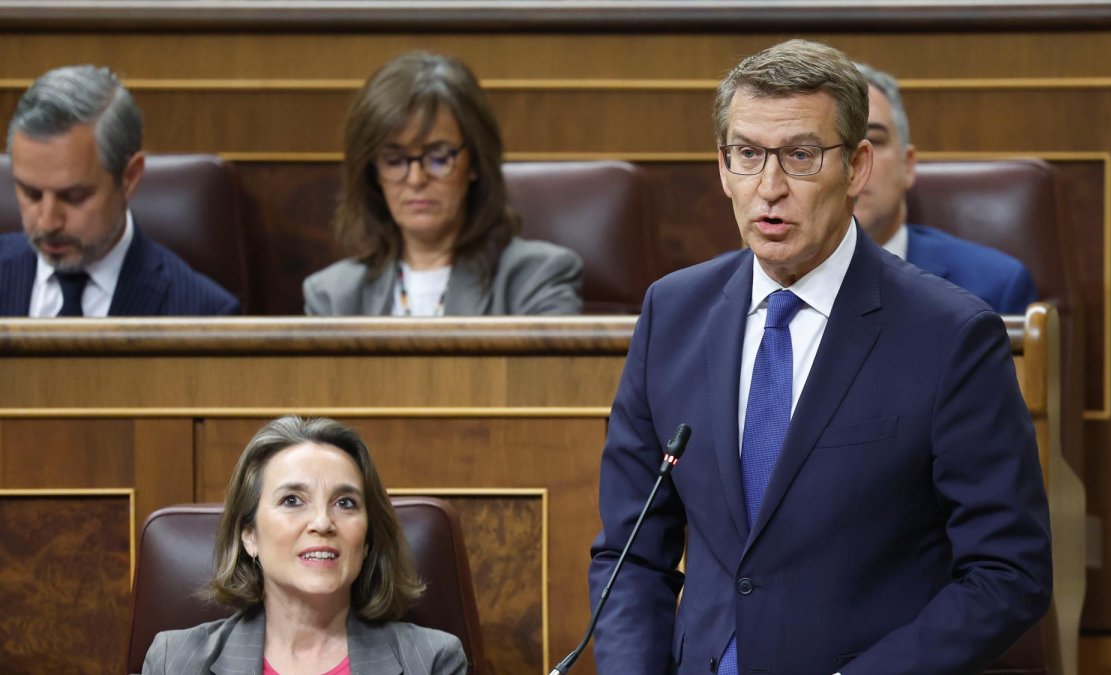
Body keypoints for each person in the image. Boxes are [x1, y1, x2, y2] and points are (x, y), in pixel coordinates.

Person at [588, 39, 1052, 675]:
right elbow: (631, 555)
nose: (769, 188)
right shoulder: (673, 315)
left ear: (857, 167)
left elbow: (1008, 572)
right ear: (722, 168)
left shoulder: (952, 335)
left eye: (801, 156)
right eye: (748, 155)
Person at [141, 416, 466, 675]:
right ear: (249, 534)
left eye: (346, 503)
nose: (323, 523)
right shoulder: (175, 662)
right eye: (292, 500)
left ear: (366, 541)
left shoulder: (431, 661)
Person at [304, 51, 582, 316]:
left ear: (474, 163)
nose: (416, 179)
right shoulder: (333, 296)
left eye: (438, 158)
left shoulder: (535, 277)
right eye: (394, 160)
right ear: (373, 173)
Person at [1, 65, 240, 317]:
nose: (48, 223)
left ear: (129, 177)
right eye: (31, 194)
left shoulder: (202, 313)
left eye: (74, 197)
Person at [853, 62, 1037, 314]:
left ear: (907, 165)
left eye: (873, 141)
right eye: (830, 146)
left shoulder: (992, 288)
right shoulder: (780, 282)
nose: (853, 165)